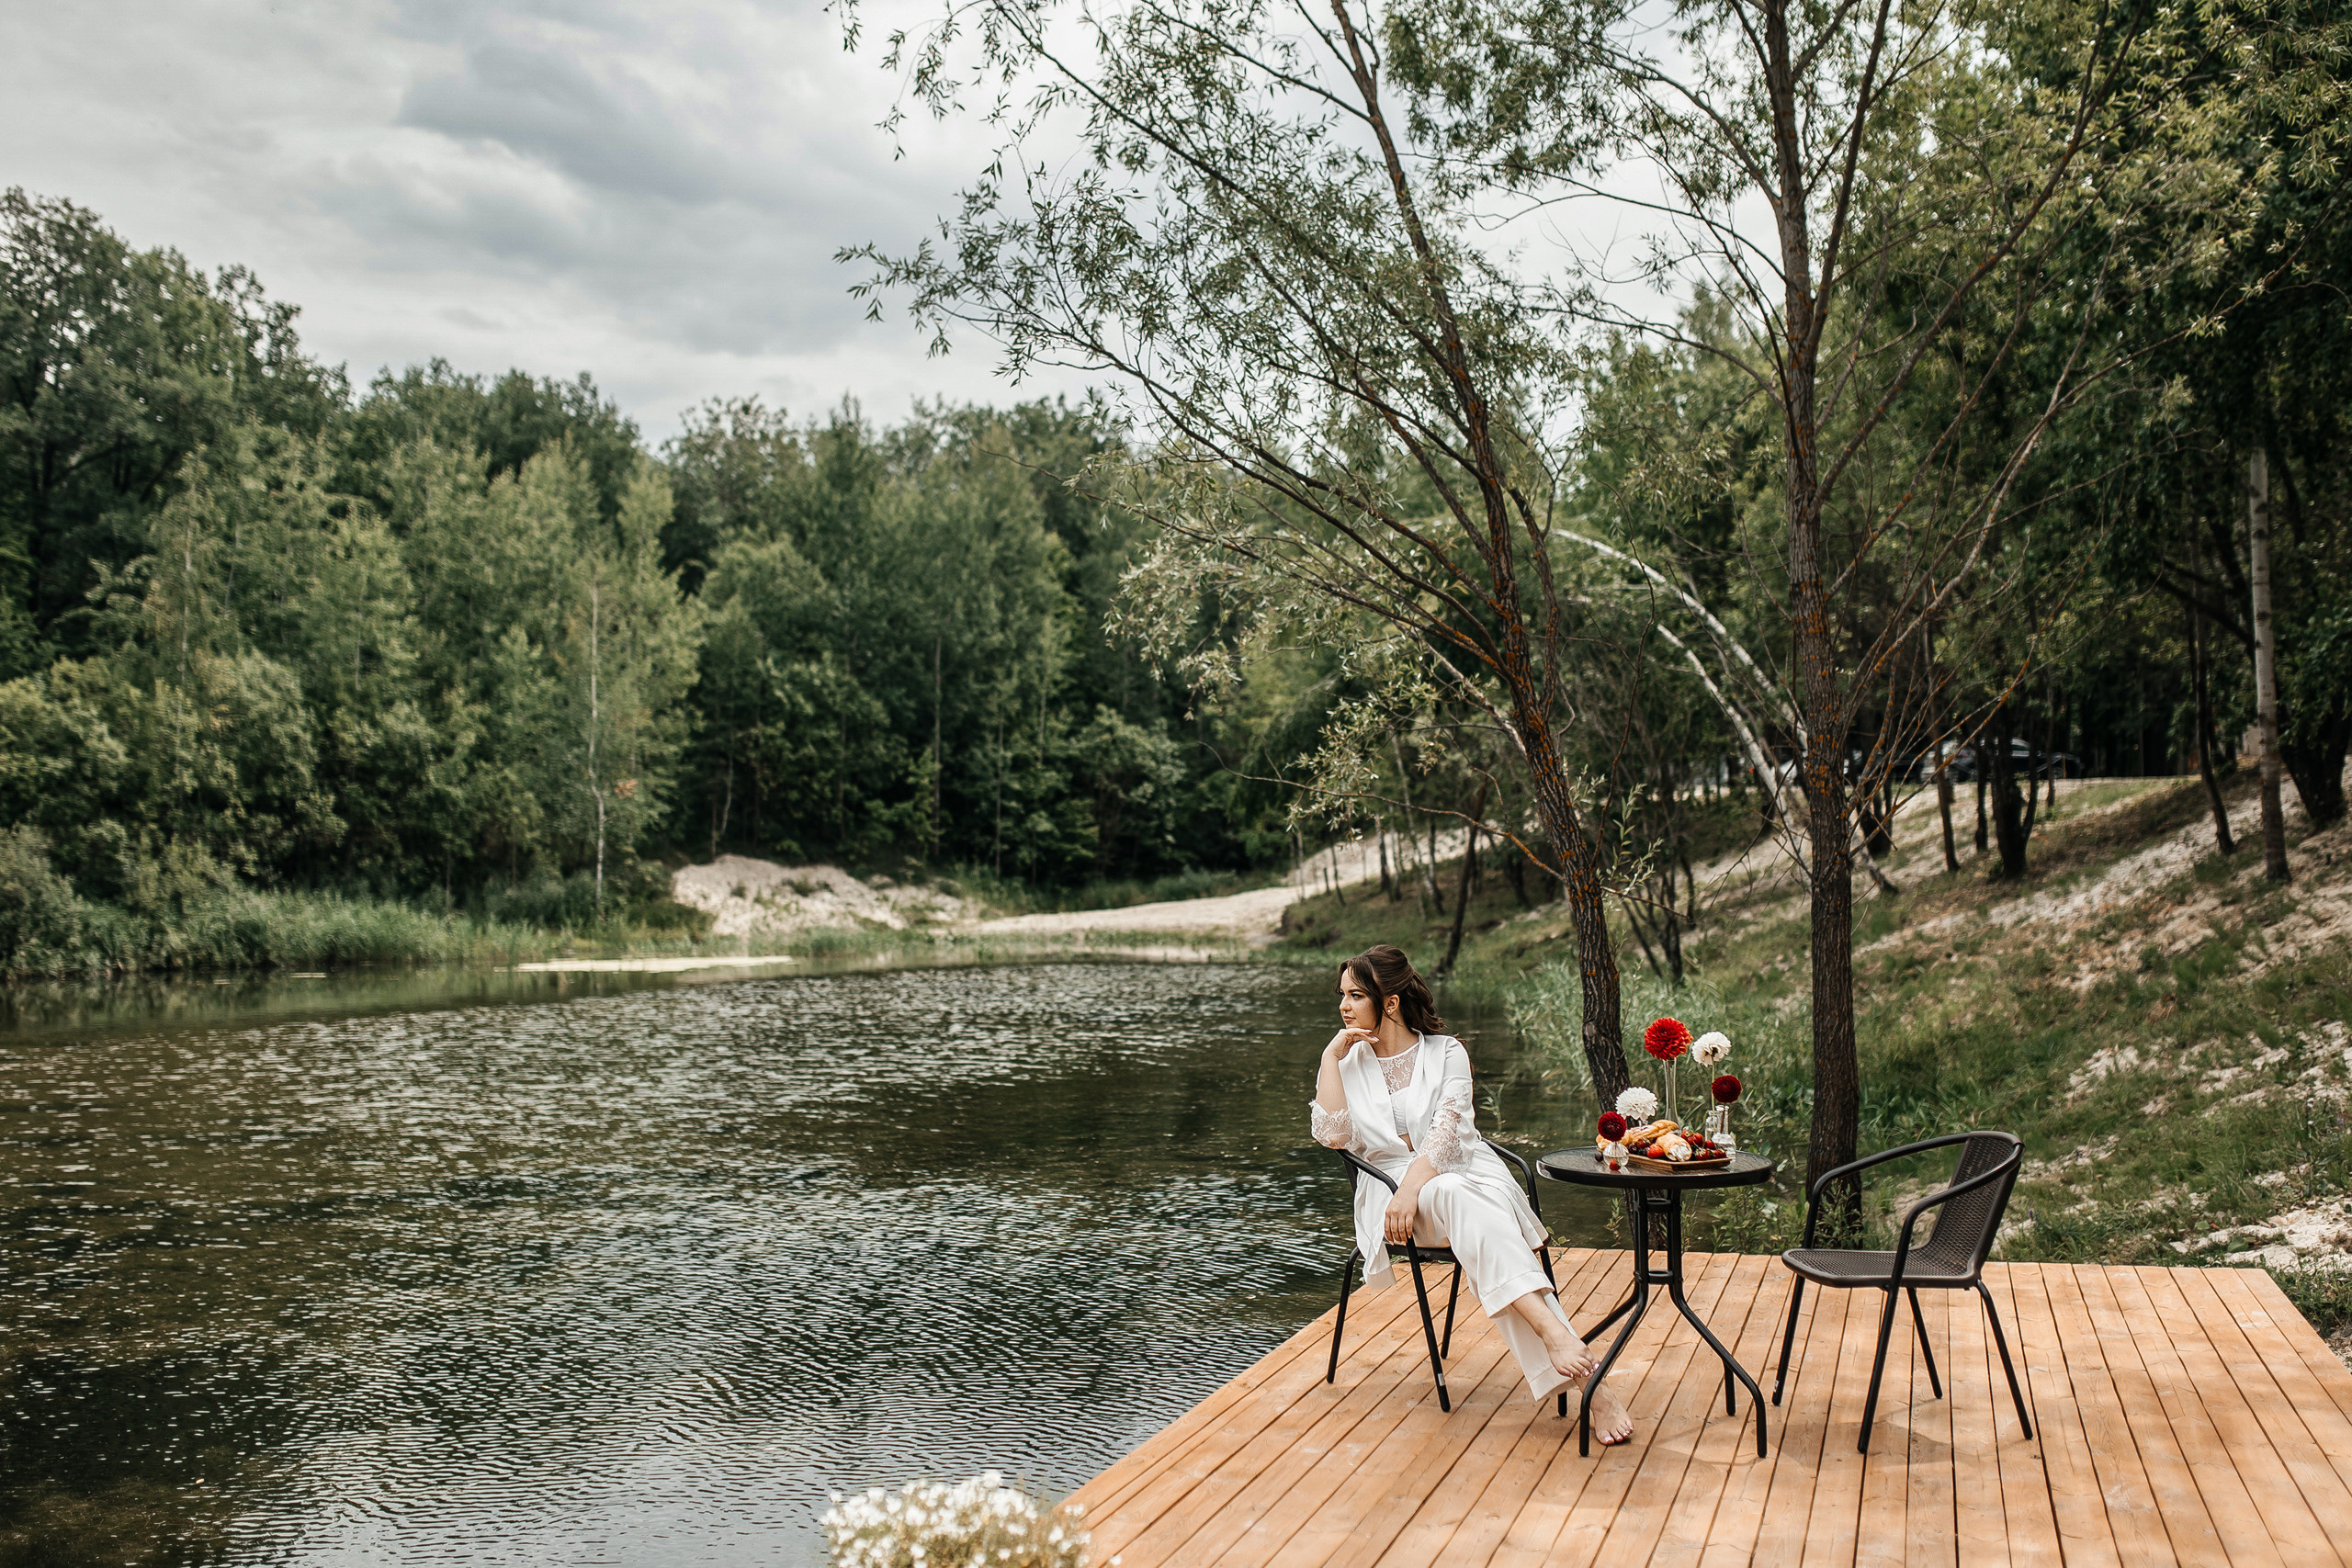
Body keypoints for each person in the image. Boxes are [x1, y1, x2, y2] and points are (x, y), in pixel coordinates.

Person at [1310, 944, 1633, 1445]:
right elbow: (1333, 1136)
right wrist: (1330, 1057)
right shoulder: (1346, 1063)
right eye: (1342, 996)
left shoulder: (1447, 1052)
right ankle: (1571, 1353)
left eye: (1355, 996)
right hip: (1390, 1196)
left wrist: (1412, 1188)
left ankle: (1572, 1360)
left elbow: (1448, 1133)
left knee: (1460, 1195)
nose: (1343, 1007)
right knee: (1465, 1203)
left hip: (1457, 1172)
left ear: (1389, 1002)